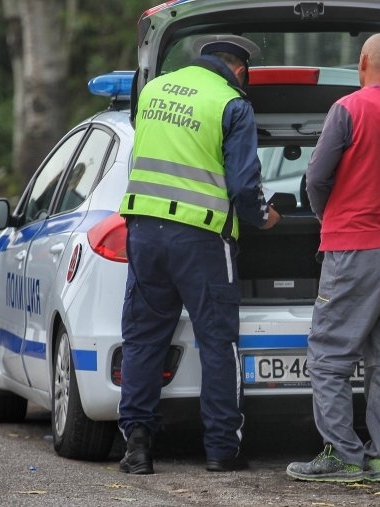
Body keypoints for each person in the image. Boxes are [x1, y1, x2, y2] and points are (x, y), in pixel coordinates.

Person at [117, 34, 281, 475]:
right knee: (218, 343)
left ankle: (137, 447)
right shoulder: (231, 104)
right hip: (203, 241)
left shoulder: (154, 89)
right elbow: (244, 186)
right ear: (240, 70)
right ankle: (221, 450)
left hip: (144, 232)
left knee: (144, 339)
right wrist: (263, 218)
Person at [285, 33, 380, 484]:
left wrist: (329, 217)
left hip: (354, 249)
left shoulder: (348, 110)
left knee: (329, 356)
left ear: (362, 63)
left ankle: (342, 456)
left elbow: (316, 178)